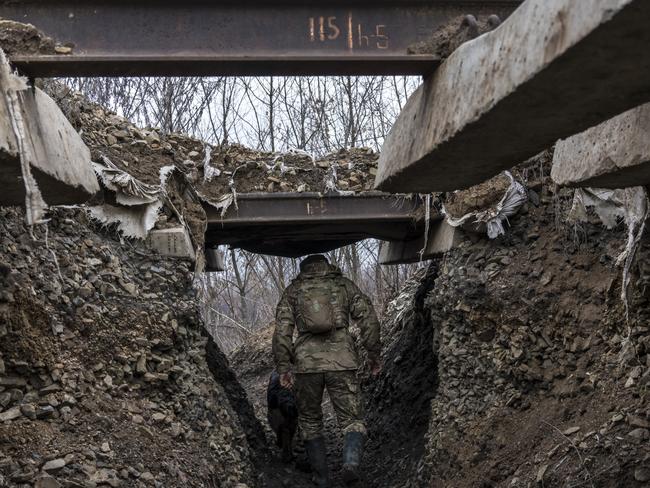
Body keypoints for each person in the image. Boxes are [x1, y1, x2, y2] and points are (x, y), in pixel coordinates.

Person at [272, 254, 382, 487]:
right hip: (342, 360)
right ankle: (350, 464)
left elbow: (281, 332)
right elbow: (368, 319)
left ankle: (321, 479)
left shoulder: (294, 290)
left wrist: (283, 367)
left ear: (304, 268)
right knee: (352, 419)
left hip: (306, 365)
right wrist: (373, 354)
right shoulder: (343, 285)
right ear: (327, 265)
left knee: (310, 420)